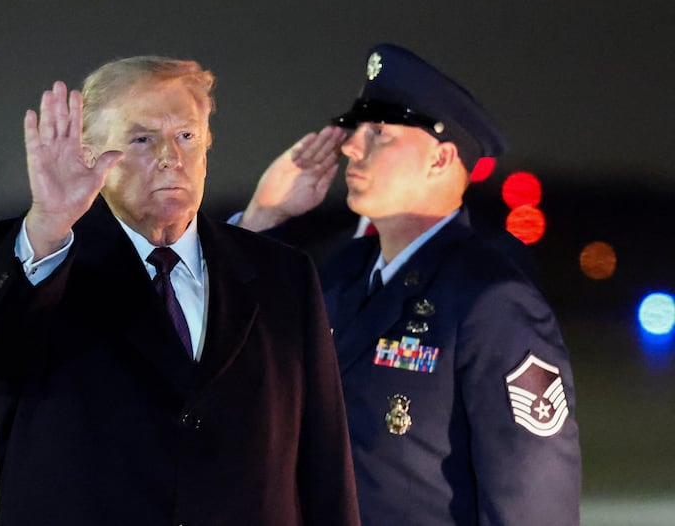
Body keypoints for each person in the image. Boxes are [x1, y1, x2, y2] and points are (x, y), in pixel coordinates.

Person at [0, 55, 360, 526]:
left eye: (186, 136)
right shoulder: (39, 260)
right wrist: (48, 224)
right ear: (87, 156)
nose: (170, 157)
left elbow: (324, 459)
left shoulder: (283, 274)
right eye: (142, 139)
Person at [238, 43, 582, 525]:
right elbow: (230, 350)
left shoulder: (491, 301)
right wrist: (262, 218)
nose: (350, 147)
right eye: (357, 131)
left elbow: (533, 500)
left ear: (440, 159)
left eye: (379, 133)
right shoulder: (341, 274)